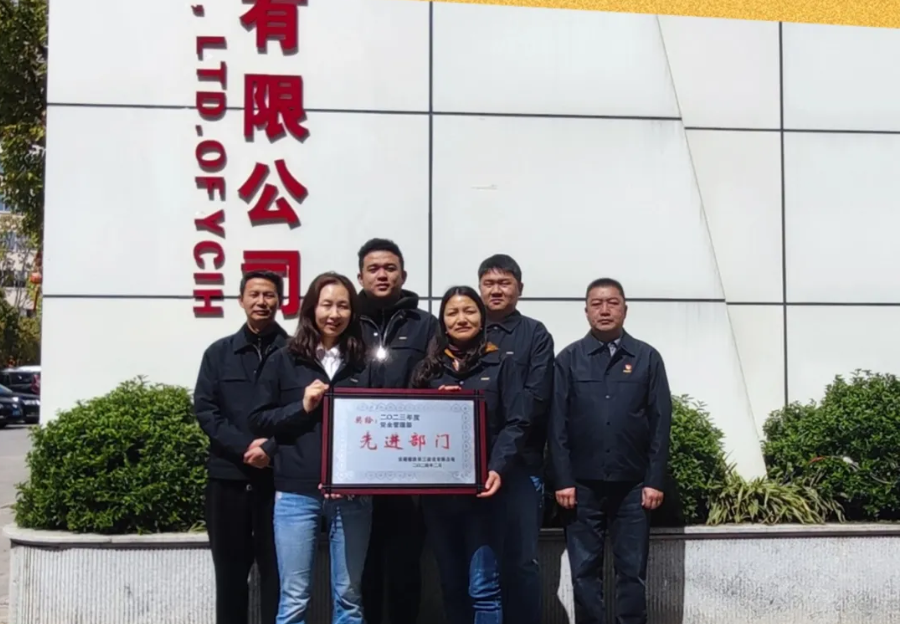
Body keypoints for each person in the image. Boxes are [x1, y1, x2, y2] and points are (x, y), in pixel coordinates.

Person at [250, 272, 374, 624]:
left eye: (343, 306)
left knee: (349, 597)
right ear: (311, 309)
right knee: (293, 597)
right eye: (326, 305)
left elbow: (388, 416)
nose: (334, 314)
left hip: (353, 495)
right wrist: (301, 407)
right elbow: (259, 419)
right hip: (296, 493)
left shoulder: (364, 362)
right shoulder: (284, 359)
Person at [549, 278, 672, 624]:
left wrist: (654, 480)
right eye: (597, 303)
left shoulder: (647, 358)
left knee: (631, 571)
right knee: (583, 572)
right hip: (581, 486)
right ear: (586, 310)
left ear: (625, 309)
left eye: (612, 303)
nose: (604, 310)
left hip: (634, 485)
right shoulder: (569, 359)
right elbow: (556, 424)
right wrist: (562, 479)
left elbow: (660, 422)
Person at [411, 285, 529, 624]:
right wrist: (434, 403)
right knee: (451, 584)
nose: (461, 319)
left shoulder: (502, 363)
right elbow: (409, 423)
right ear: (443, 322)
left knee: (484, 587)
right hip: (438, 496)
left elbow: (517, 422)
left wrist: (497, 468)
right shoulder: (427, 371)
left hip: (485, 494)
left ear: (481, 318)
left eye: (469, 311)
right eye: (452, 313)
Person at [194, 270, 287, 624]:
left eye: (269, 295)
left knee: (277, 576)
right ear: (241, 300)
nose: (262, 301)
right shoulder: (218, 354)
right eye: (254, 294)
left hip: (278, 483)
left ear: (280, 301)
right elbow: (206, 409)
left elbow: (307, 414)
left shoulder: (295, 352)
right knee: (230, 577)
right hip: (227, 481)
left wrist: (271, 448)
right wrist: (246, 447)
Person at [356, 238, 438, 624]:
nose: (382, 275)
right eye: (373, 269)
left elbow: (437, 378)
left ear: (403, 275)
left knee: (406, 564)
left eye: (390, 268)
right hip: (358, 466)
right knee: (363, 565)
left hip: (409, 469)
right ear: (360, 276)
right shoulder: (346, 321)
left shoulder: (426, 325)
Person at [477, 254, 554, 624]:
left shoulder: (535, 335)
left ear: (519, 289)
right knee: (481, 562)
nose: (496, 290)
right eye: (489, 283)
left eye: (504, 283)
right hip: (473, 469)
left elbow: (537, 398)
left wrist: (502, 440)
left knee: (522, 561)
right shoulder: (465, 330)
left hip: (522, 465)